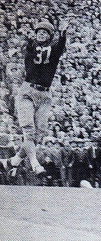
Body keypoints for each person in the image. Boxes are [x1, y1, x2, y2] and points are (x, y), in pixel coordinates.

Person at [0, 20, 68, 176]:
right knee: (29, 131)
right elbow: (39, 49)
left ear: (50, 36)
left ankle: (13, 161)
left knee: (39, 133)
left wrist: (63, 35)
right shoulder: (32, 46)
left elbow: (57, 48)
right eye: (39, 32)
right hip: (28, 91)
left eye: (45, 32)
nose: (41, 34)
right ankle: (35, 164)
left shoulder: (53, 49)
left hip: (45, 95)